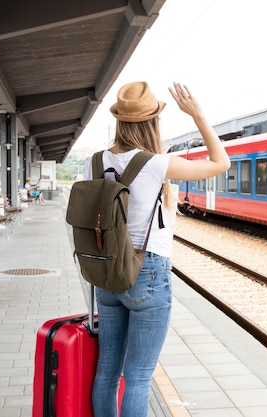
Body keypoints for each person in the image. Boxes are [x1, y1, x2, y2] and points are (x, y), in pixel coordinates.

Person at [87, 81, 230, 417]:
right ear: (152, 122)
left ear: (120, 121)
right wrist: (197, 115)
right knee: (137, 377)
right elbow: (220, 162)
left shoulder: (95, 162)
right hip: (147, 272)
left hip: (107, 274)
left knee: (107, 371)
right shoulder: (155, 163)